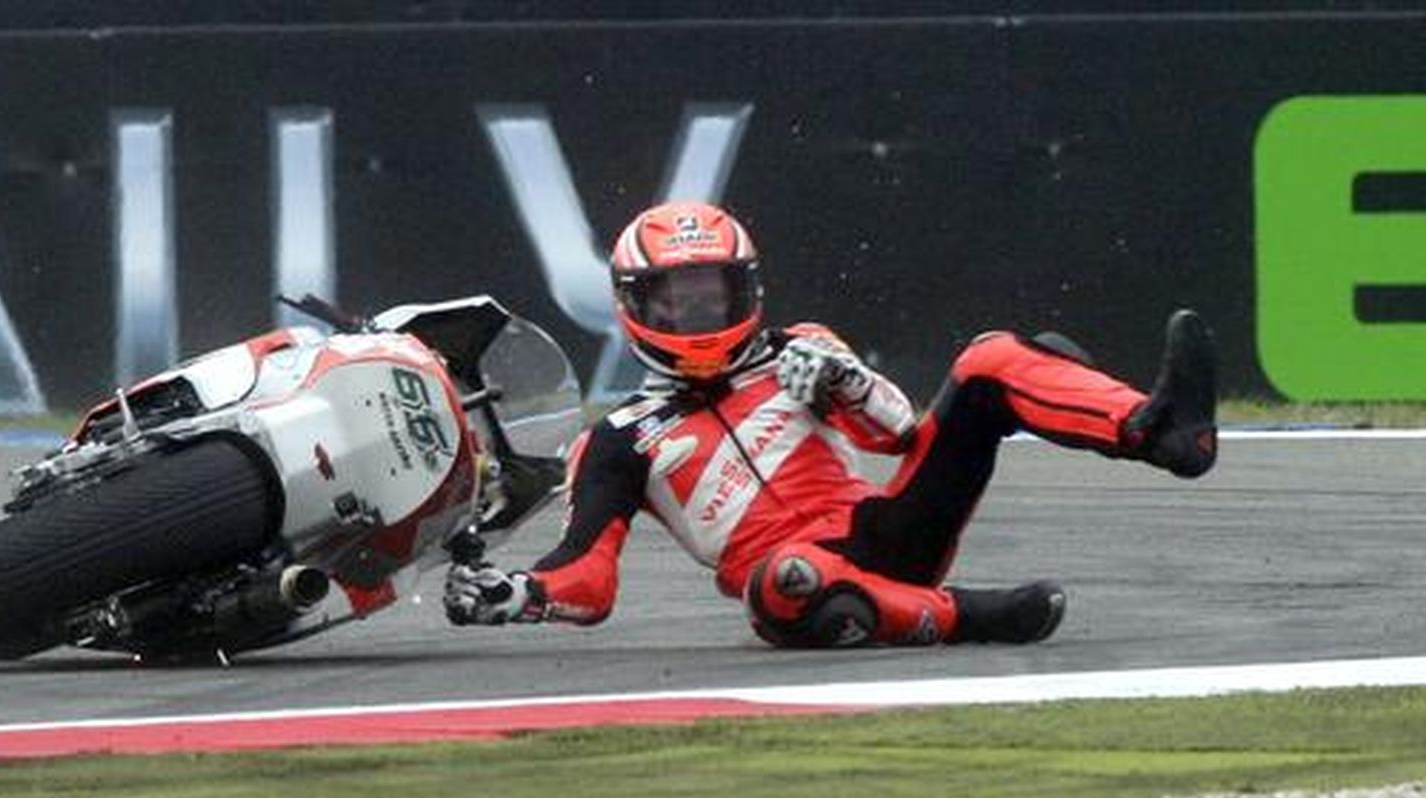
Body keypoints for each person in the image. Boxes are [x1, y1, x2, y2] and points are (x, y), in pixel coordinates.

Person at [442, 200, 1217, 647]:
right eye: (679, 299)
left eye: (715, 293)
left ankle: (1160, 431)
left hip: (889, 531)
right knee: (788, 583)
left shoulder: (802, 348)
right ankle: (974, 615)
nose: (701, 312)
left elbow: (896, 435)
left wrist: (843, 379)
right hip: (795, 587)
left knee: (988, 359)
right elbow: (589, 575)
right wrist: (519, 594)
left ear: (748, 291)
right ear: (637, 308)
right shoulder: (614, 439)